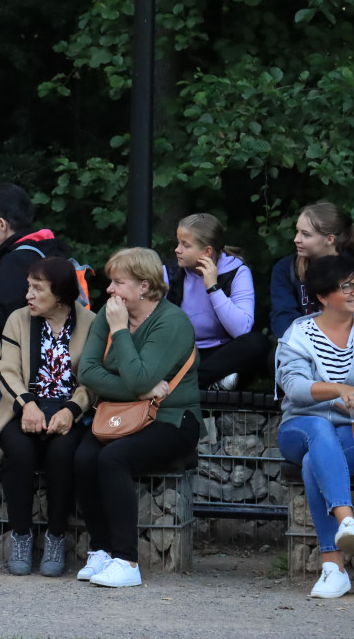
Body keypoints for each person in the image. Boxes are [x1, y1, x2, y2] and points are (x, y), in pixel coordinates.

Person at [75, 247, 204, 588]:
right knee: (84, 456)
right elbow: (87, 371)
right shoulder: (110, 312)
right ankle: (101, 550)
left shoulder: (171, 321)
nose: (110, 291)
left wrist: (120, 331)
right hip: (124, 412)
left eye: (118, 283)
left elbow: (138, 377)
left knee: (114, 458)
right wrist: (141, 391)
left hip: (173, 418)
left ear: (145, 286)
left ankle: (126, 560)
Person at [275, 254, 354, 599]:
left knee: (315, 462)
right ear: (322, 295)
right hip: (299, 427)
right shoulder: (299, 333)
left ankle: (334, 568)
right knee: (318, 431)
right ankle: (345, 517)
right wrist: (338, 391)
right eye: (346, 286)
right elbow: (295, 386)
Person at [0, 257, 95, 577]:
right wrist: (27, 405)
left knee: (63, 454)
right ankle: (21, 536)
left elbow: (94, 377)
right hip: (23, 407)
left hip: (69, 410)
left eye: (37, 289)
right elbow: (5, 369)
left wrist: (71, 411)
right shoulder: (17, 320)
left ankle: (56, 537)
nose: (28, 296)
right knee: (18, 452)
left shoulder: (90, 322)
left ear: (60, 294)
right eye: (28, 287)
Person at [167, 212, 270, 389]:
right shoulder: (169, 272)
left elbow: (241, 329)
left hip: (219, 354)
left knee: (258, 344)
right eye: (178, 243)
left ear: (207, 251)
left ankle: (186, 384)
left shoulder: (237, 271)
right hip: (180, 353)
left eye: (185, 245)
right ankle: (212, 383)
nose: (177, 249)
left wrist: (213, 288)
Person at [0, 183, 71, 338]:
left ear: (1, 224)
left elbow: (0, 317)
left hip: (25, 354)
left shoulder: (17, 260)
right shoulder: (48, 249)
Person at [270, 201, 354, 339]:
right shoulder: (285, 268)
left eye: (305, 234)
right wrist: (307, 346)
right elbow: (283, 317)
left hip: (343, 346)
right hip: (299, 346)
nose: (296, 239)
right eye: (297, 231)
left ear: (329, 239)